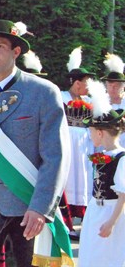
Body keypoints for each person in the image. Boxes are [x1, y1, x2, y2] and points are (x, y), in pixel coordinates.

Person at [0, 19, 72, 267]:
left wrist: (42, 207)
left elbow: (55, 157)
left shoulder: (43, 92)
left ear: (16, 51)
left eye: (0, 46)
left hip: (25, 205)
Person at [77, 79, 125, 267]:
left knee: (108, 256)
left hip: (111, 212)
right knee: (91, 255)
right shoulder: (103, 155)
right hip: (96, 210)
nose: (89, 135)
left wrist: (111, 222)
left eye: (91, 131)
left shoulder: (121, 158)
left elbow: (123, 195)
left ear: (100, 132)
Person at [61, 46, 95, 222]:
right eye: (86, 82)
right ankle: (67, 216)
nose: (88, 86)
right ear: (77, 83)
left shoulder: (89, 101)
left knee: (83, 176)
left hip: (84, 144)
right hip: (67, 142)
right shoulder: (62, 98)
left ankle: (83, 213)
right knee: (67, 176)